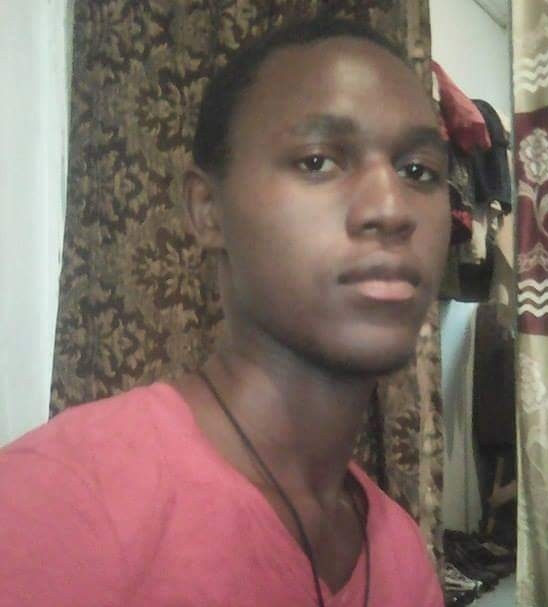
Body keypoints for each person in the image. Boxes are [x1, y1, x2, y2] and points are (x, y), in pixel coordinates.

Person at [0, 16, 450, 607]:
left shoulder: (403, 556)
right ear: (207, 210)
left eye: (418, 171)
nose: (391, 209)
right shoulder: (56, 504)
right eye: (319, 161)